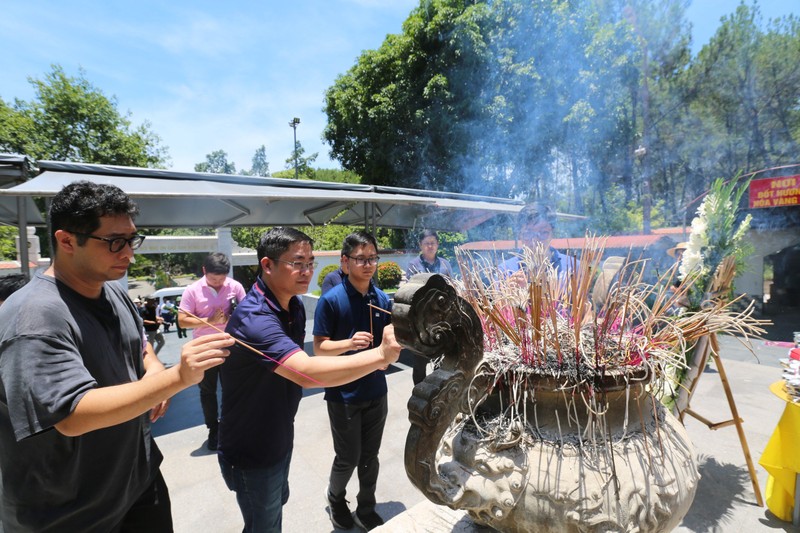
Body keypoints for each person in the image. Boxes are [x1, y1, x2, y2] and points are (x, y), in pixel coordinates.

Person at [0, 180, 233, 532]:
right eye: (115, 242)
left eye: (132, 240)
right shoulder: (35, 316)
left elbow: (139, 345)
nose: (129, 254)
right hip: (72, 513)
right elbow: (72, 414)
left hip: (138, 483)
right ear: (66, 241)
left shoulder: (113, 293)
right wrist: (176, 378)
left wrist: (154, 374)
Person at [218, 227, 401, 533]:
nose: (306, 272)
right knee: (263, 524)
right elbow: (305, 371)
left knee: (276, 510)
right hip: (252, 444)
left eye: (310, 263)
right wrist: (381, 356)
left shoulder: (293, 305)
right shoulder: (255, 319)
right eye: (297, 263)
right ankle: (337, 500)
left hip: (279, 431)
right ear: (267, 265)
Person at [313, 231, 393, 531]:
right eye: (361, 259)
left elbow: (389, 337)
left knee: (370, 457)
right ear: (345, 262)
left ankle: (367, 506)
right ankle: (335, 499)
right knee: (348, 457)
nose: (368, 265)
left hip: (376, 389)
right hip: (343, 392)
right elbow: (319, 348)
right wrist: (347, 343)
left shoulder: (381, 298)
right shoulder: (331, 300)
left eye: (372, 258)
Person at [178, 252, 245, 451]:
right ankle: (213, 428)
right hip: (204, 346)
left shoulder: (235, 286)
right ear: (204, 270)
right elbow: (182, 320)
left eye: (222, 278)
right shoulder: (192, 290)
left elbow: (248, 311)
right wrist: (210, 321)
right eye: (213, 278)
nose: (218, 282)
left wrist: (235, 315)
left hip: (229, 344)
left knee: (232, 388)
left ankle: (230, 424)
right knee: (207, 391)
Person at [404, 229, 454, 385]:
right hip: (421, 321)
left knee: (441, 359)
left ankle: (438, 390)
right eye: (426, 243)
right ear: (421, 245)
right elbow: (410, 290)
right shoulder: (414, 265)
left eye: (433, 243)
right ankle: (419, 392)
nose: (430, 246)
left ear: (437, 244)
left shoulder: (445, 264)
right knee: (420, 362)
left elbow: (452, 287)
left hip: (442, 319)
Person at [500, 202, 579, 278]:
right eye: (528, 233)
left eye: (543, 232)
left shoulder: (573, 268)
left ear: (552, 233)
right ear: (519, 235)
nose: (535, 240)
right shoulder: (506, 271)